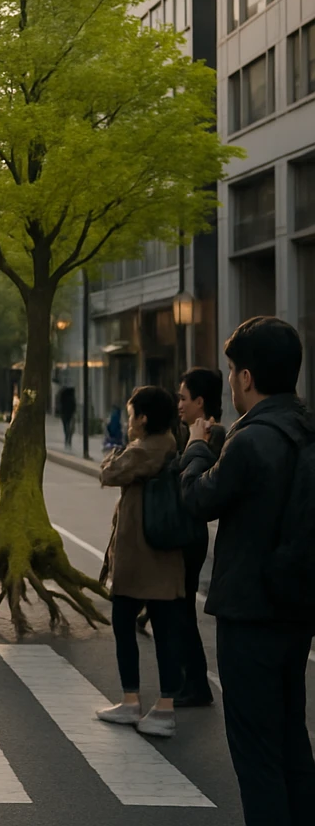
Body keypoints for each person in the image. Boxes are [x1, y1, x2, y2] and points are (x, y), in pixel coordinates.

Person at [180, 317, 315, 826]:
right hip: (297, 606)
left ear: (245, 378)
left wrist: (195, 446)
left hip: (250, 612)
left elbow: (198, 499)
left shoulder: (251, 438)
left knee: (256, 752)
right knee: (290, 739)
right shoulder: (304, 427)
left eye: (234, 370)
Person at [96, 385, 184, 738]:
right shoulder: (170, 445)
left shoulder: (145, 450)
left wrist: (115, 452)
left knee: (123, 623)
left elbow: (108, 473)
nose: (129, 422)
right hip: (163, 557)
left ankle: (138, 702)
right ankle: (163, 704)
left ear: (143, 419)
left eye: (132, 415)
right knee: (165, 632)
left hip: (140, 556)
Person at [170, 367, 225, 708]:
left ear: (200, 401)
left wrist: (189, 449)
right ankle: (189, 681)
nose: (179, 403)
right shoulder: (194, 431)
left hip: (191, 533)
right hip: (188, 531)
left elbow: (196, 477)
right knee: (180, 608)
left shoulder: (212, 434)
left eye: (184, 397)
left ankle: (195, 683)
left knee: (183, 609)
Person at [57, 385, 77, 450]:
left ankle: (67, 440)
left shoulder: (63, 398)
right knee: (69, 429)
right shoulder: (71, 398)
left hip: (65, 415)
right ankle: (68, 441)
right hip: (69, 415)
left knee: (66, 428)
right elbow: (74, 407)